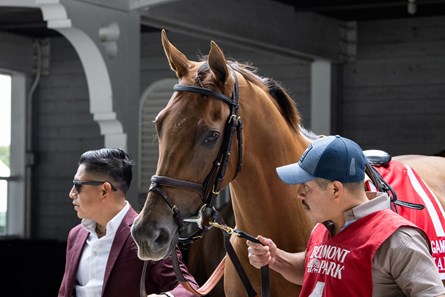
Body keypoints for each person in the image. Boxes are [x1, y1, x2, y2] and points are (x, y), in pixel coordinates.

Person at [246, 135, 445, 297]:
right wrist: (275, 258)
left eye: (306, 186)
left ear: (335, 189)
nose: (299, 194)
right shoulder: (324, 227)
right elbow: (315, 271)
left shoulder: (397, 240)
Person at [58, 148, 198, 297]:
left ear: (104, 191)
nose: (72, 193)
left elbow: (188, 289)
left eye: (78, 185)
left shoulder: (148, 234)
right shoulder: (76, 235)